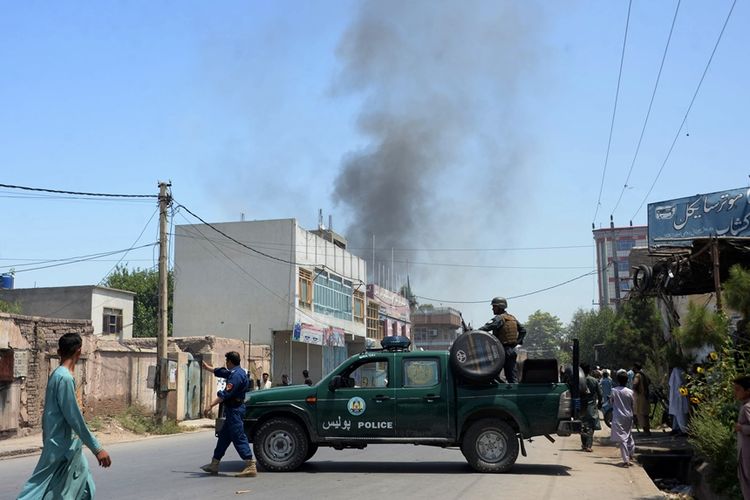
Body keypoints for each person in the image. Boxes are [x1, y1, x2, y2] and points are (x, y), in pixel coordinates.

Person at [18, 333, 112, 500]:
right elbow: (74, 418)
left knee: (85, 488)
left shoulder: (58, 375)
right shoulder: (64, 378)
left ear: (59, 351)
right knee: (37, 489)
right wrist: (97, 448)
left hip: (69, 444)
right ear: (79, 351)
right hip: (61, 445)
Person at [200, 351, 257, 477]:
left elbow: (225, 394)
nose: (225, 363)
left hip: (235, 410)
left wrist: (210, 406)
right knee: (224, 437)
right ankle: (214, 464)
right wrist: (207, 367)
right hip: (232, 410)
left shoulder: (236, 376)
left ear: (230, 362)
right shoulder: (237, 372)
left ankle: (250, 465)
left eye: (226, 361)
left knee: (238, 436)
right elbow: (221, 372)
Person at [478, 296, 527, 383]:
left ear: (500, 307)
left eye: (494, 306)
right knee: (512, 377)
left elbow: (487, 327)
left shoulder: (499, 318)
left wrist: (474, 332)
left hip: (501, 351)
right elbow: (523, 330)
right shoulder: (512, 318)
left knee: (491, 374)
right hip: (512, 351)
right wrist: (516, 343)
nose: (492, 309)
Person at [610, 370, 636, 467]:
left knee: (622, 438)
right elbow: (633, 405)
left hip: (618, 416)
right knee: (629, 435)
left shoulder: (614, 391)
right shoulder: (630, 392)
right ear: (627, 380)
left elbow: (611, 402)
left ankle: (626, 460)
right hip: (629, 416)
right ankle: (631, 453)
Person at [734, 375, 750, 499]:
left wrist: (741, 428)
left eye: (738, 389)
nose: (735, 392)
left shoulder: (747, 407)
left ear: (748, 390)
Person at [580, 363, 602, 452]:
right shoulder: (594, 380)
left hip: (581, 405)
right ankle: (588, 445)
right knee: (591, 426)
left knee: (582, 425)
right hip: (591, 405)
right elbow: (600, 394)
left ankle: (584, 444)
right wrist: (600, 403)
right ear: (589, 370)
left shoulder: (578, 380)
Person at [668, 366, 689, 436]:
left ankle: (684, 430)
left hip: (678, 397)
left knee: (680, 414)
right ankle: (675, 428)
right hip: (678, 396)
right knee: (676, 414)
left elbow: (677, 382)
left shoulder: (676, 371)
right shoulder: (680, 371)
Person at [632, 362, 651, 436]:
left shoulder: (638, 375)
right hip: (645, 396)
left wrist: (635, 391)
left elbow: (635, 384)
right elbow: (649, 381)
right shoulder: (644, 374)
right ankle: (647, 430)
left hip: (640, 397)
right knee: (645, 414)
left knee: (641, 414)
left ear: (636, 368)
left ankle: (645, 431)